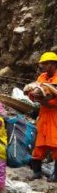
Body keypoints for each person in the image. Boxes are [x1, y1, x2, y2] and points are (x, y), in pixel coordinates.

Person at [27, 52, 57, 181]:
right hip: (43, 115)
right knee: (38, 145)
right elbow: (34, 94)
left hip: (55, 115)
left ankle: (55, 175)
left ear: (53, 64)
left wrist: (44, 99)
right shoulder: (42, 77)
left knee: (56, 145)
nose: (42, 66)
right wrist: (35, 96)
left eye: (45, 64)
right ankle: (37, 172)